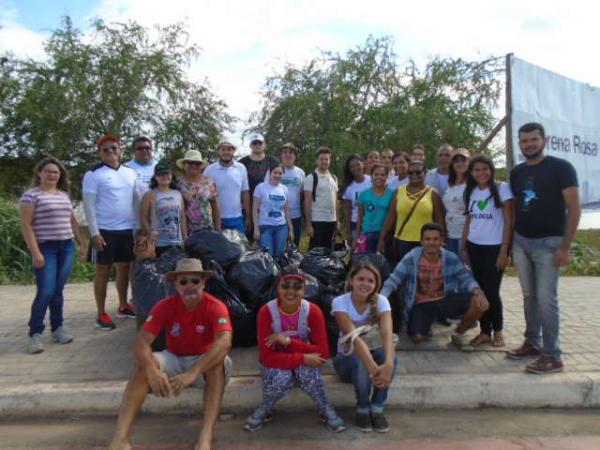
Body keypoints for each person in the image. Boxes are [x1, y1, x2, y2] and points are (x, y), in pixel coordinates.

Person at [108, 258, 232, 450]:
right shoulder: (164, 306)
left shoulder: (215, 306)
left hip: (203, 360)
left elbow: (224, 342)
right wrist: (152, 370)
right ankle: (120, 438)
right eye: (183, 281)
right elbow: (142, 340)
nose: (189, 286)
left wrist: (194, 372)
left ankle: (205, 436)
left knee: (217, 363)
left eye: (195, 281)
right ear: (175, 284)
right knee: (143, 365)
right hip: (175, 356)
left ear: (203, 282)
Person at [507, 122, 581, 374]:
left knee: (546, 300)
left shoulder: (561, 168)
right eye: (524, 141)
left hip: (549, 244)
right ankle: (532, 343)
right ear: (520, 144)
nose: (529, 145)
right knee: (529, 297)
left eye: (533, 140)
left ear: (544, 140)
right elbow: (515, 208)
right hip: (522, 241)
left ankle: (553, 355)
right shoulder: (516, 172)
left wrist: (566, 246)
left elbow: (575, 208)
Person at [244, 267, 346, 432]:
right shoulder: (266, 312)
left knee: (308, 372)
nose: (291, 291)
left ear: (304, 289)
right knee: (281, 378)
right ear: (278, 288)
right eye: (285, 286)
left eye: (297, 286)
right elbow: (267, 357)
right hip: (278, 362)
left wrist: (287, 341)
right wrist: (303, 358)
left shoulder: (312, 311)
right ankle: (266, 407)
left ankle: (324, 407)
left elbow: (323, 353)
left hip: (300, 360)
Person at [381, 223, 489, 346]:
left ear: (442, 241)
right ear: (421, 241)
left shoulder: (450, 257)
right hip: (422, 304)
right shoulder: (412, 257)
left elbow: (466, 279)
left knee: (480, 303)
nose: (432, 243)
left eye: (435, 239)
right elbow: (393, 280)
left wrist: (478, 292)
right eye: (427, 239)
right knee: (417, 338)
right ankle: (426, 325)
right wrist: (381, 298)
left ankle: (458, 333)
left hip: (445, 300)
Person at [19, 157, 87, 354]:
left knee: (57, 290)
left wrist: (82, 243)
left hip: (66, 247)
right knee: (46, 291)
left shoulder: (63, 195)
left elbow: (72, 221)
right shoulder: (31, 196)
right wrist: (36, 252)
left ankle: (57, 328)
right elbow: (26, 226)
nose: (52, 175)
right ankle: (35, 333)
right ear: (39, 173)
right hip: (46, 248)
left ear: (60, 176)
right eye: (48, 171)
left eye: (55, 172)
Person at [332, 262, 396, 433]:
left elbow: (387, 333)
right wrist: (374, 368)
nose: (365, 284)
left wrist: (388, 364)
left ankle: (377, 407)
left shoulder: (381, 301)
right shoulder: (339, 302)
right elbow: (354, 337)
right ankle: (362, 408)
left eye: (370, 281)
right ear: (351, 280)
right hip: (346, 360)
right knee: (361, 360)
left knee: (389, 356)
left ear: (376, 285)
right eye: (360, 279)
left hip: (373, 356)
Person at [83, 134, 138, 330]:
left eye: (114, 148)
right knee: (103, 271)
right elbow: (88, 207)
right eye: (105, 149)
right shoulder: (93, 174)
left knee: (124, 268)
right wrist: (94, 233)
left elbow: (136, 202)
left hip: (126, 229)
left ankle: (123, 306)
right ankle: (100, 314)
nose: (111, 152)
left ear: (120, 149)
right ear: (99, 153)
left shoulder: (130, 172)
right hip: (104, 231)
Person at [461, 154, 514, 348]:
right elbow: (469, 220)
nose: (481, 173)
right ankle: (485, 332)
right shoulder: (471, 191)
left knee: (492, 291)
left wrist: (505, 250)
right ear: (471, 173)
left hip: (495, 248)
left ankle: (498, 330)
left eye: (485, 169)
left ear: (491, 170)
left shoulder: (502, 189)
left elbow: (509, 221)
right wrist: (464, 246)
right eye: (476, 170)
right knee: (481, 291)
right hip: (475, 246)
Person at [377, 160, 445, 266]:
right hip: (401, 241)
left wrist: (441, 240)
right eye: (411, 173)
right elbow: (391, 217)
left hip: (426, 242)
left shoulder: (433, 193)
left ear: (425, 173)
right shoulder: (398, 192)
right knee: (404, 274)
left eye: (418, 172)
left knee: (424, 274)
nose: (414, 175)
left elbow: (439, 219)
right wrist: (382, 238)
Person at [140, 161, 188, 257]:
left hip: (177, 242)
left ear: (171, 175)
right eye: (160, 174)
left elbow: (182, 218)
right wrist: (150, 233)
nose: (164, 177)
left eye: (167, 173)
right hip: (158, 243)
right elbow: (143, 217)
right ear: (155, 177)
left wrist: (185, 238)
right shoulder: (150, 195)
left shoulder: (178, 194)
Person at [203, 141, 251, 235]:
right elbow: (203, 194)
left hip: (237, 218)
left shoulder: (241, 168)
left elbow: (245, 193)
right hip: (216, 219)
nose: (226, 152)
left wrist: (248, 216)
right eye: (223, 149)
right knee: (219, 249)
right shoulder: (210, 170)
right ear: (218, 151)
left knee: (239, 248)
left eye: (229, 149)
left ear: (233, 152)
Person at [239, 132, 279, 240]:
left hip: (267, 206)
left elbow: (278, 181)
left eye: (259, 142)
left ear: (264, 144)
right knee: (246, 239)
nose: (257, 145)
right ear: (250, 145)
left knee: (266, 241)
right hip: (247, 206)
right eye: (254, 143)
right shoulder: (242, 162)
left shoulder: (273, 161)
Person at [175, 150, 221, 234]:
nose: (194, 165)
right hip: (186, 231)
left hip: (208, 229)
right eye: (190, 162)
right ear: (184, 165)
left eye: (197, 163)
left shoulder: (208, 181)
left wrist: (218, 229)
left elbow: (215, 206)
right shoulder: (177, 183)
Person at [253, 164, 294, 256]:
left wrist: (291, 229)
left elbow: (286, 210)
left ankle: (278, 271)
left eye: (280, 173)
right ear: (270, 173)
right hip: (265, 228)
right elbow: (255, 209)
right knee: (268, 256)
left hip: (281, 227)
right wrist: (256, 228)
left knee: (280, 255)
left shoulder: (284, 189)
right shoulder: (260, 187)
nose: (277, 175)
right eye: (275, 172)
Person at [303, 147, 339, 250]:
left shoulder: (334, 178)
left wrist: (337, 221)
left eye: (326, 159)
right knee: (316, 252)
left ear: (330, 160)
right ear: (317, 160)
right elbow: (307, 202)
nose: (324, 161)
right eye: (321, 159)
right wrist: (308, 224)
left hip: (331, 221)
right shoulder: (311, 177)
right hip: (317, 221)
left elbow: (335, 201)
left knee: (329, 252)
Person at [355, 164, 395, 253]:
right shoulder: (364, 194)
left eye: (382, 175)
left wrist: (383, 238)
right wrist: (357, 237)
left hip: (385, 235)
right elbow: (360, 217)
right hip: (366, 235)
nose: (379, 177)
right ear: (371, 176)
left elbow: (392, 216)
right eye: (376, 174)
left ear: (387, 177)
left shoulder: (392, 194)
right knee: (366, 263)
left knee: (382, 264)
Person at [442, 148, 470, 255]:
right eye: (456, 161)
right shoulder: (450, 184)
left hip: (465, 237)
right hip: (450, 236)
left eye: (463, 160)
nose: (460, 163)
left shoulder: (473, 184)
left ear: (469, 162)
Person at [278, 143, 305, 247]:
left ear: (295, 156)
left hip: (296, 216)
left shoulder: (301, 172)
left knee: (294, 247)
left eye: (291, 152)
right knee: (279, 248)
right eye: (285, 152)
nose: (288, 155)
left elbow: (304, 194)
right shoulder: (273, 171)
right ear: (281, 155)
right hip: (277, 217)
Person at [342, 154, 371, 241]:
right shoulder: (349, 188)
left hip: (373, 224)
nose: (355, 168)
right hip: (355, 225)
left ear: (363, 164)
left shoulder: (372, 180)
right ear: (349, 169)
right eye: (352, 166)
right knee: (358, 253)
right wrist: (348, 231)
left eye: (358, 164)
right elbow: (348, 212)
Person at [124, 136, 157, 203]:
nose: (144, 150)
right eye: (140, 148)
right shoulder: (125, 168)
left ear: (151, 150)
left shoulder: (159, 167)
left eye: (147, 148)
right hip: (133, 212)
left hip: (156, 210)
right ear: (134, 151)